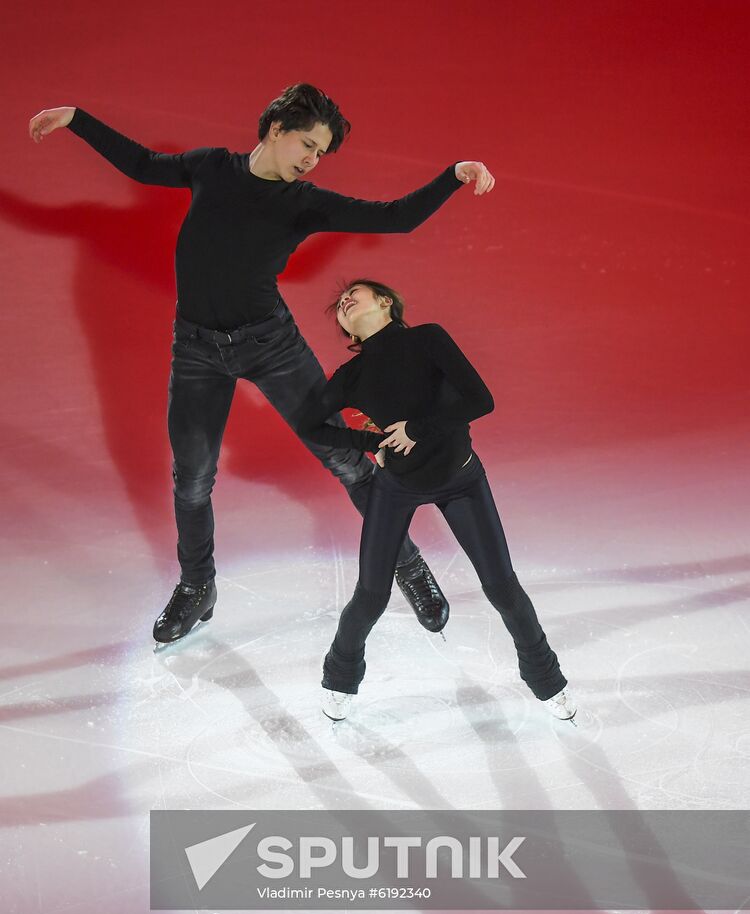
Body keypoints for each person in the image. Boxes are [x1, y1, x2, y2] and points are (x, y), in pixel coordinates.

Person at [28, 84, 495, 643]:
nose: (311, 159)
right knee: (192, 479)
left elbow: (395, 219)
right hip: (197, 350)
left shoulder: (304, 202)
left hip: (272, 346)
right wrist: (76, 118)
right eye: (306, 143)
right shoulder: (210, 168)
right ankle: (198, 585)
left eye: (320, 153)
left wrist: (454, 174)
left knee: (346, 460)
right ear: (275, 130)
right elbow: (143, 164)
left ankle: (407, 565)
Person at [294, 279, 577, 722]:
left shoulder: (427, 339)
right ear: (348, 331)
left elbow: (480, 400)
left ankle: (548, 682)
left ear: (386, 302)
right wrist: (371, 442)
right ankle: (339, 681)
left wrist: (415, 429)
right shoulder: (351, 376)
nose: (345, 302)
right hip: (397, 487)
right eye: (341, 306)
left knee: (502, 588)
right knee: (370, 596)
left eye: (355, 294)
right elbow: (309, 423)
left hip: (460, 480)